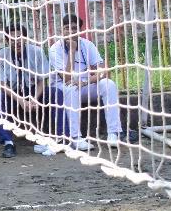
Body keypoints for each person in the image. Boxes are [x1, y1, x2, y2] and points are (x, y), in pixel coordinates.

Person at [0, 24, 65, 158]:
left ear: (25, 38)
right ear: (7, 41)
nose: (16, 41)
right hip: (13, 93)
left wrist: (34, 98)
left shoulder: (36, 52)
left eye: (19, 37)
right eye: (12, 38)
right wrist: (19, 100)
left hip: (34, 90)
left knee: (56, 93)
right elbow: (2, 85)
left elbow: (42, 80)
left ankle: (60, 138)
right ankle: (8, 143)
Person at [50, 14, 122, 148]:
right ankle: (76, 137)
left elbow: (104, 71)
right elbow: (66, 79)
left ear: (80, 30)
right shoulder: (55, 49)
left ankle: (113, 133)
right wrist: (71, 50)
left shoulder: (87, 45)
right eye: (67, 28)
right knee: (71, 87)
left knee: (109, 84)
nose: (70, 31)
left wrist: (85, 82)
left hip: (83, 85)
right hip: (63, 88)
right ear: (61, 30)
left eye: (74, 28)